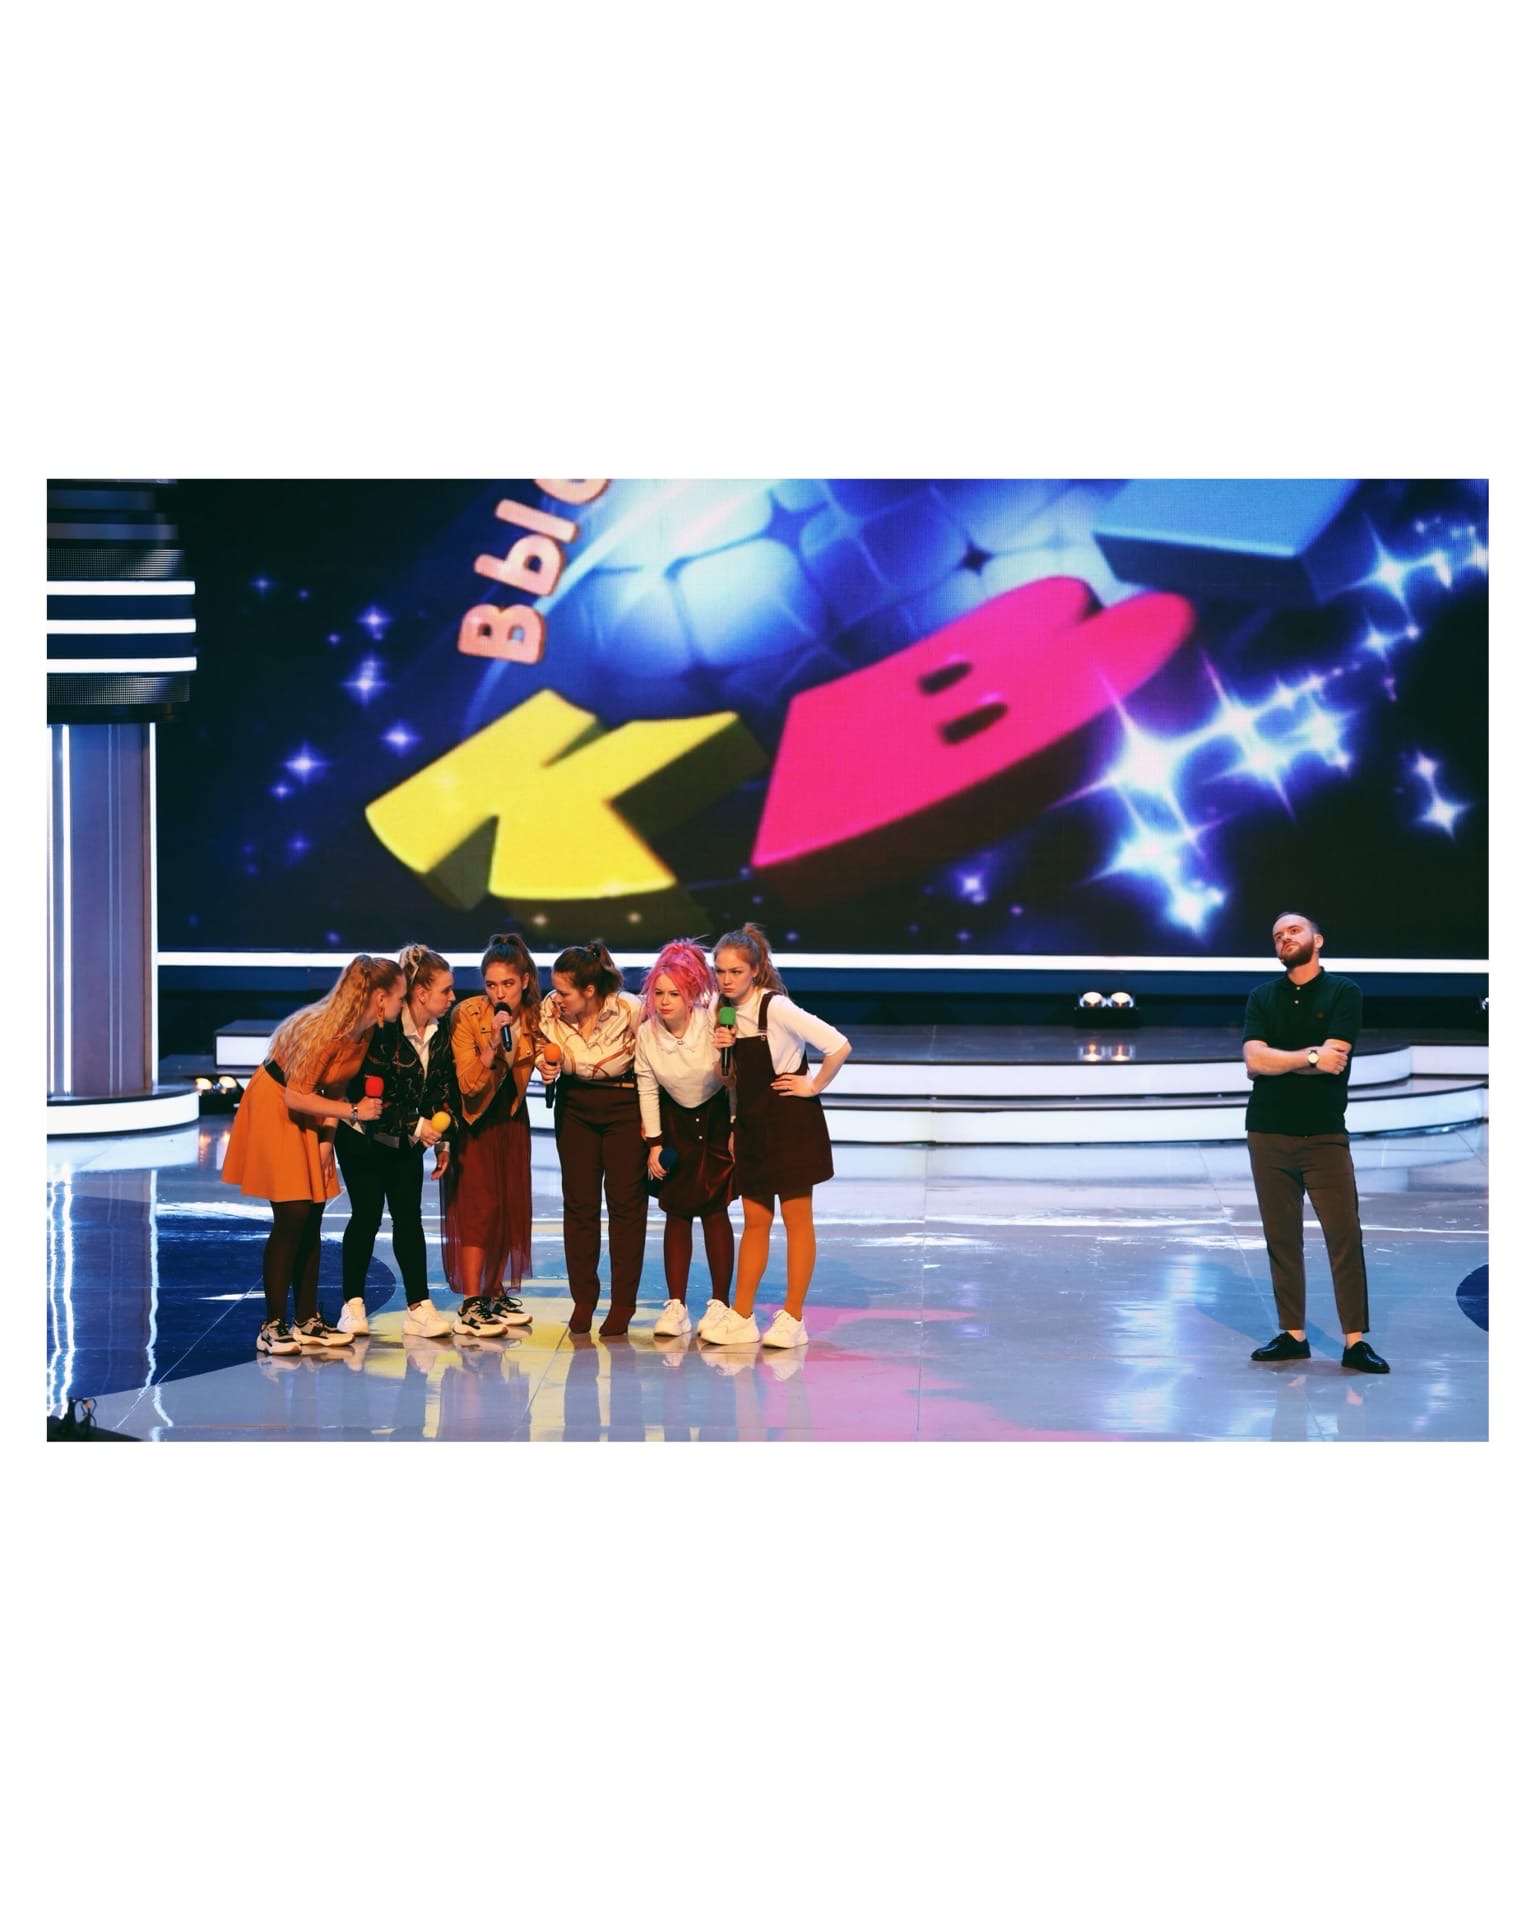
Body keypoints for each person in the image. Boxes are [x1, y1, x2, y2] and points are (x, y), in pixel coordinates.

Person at [221, 955, 404, 1355]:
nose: (401, 1005)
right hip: (277, 1104)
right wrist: (354, 1112)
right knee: (293, 1213)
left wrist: (325, 1145)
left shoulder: (363, 1032)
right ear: (379, 997)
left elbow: (335, 1088)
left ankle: (306, 1319)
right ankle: (272, 1326)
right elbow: (295, 1094)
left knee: (314, 1210)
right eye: (399, 997)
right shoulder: (326, 1029)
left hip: (313, 1109)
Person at [1242, 911, 1390, 1373]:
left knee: (1344, 1236)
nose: (1285, 938)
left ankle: (1354, 1342)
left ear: (1317, 940)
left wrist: (1281, 1059)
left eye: (1294, 931)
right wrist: (1309, 1056)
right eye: (1278, 935)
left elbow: (1335, 1060)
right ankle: (1293, 1336)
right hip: (1267, 1132)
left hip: (1324, 1134)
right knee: (1281, 1238)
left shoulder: (1344, 992)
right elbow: (1254, 1061)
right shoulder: (1262, 996)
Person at [702, 922, 850, 1349]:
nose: (727, 980)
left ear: (755, 970)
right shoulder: (722, 1011)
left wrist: (813, 1084)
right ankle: (742, 1315)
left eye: (735, 972)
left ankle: (793, 1318)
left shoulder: (776, 1007)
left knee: (796, 1219)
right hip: (750, 1123)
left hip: (789, 1120)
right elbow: (729, 1079)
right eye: (720, 971)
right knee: (754, 1221)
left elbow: (838, 1045)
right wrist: (733, 1120)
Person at [332, 944, 460, 1342]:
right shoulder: (383, 1029)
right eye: (445, 990)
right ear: (421, 993)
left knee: (409, 1219)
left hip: (406, 1142)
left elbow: (440, 1089)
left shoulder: (440, 1033)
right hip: (363, 1137)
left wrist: (442, 1141)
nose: (453, 997)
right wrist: (419, 1124)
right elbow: (374, 1099)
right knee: (367, 1215)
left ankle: (418, 1307)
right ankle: (352, 1304)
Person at [537, 940, 647, 1336]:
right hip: (574, 1106)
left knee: (625, 1208)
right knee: (579, 1205)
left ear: (589, 990)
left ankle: (623, 1303)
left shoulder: (630, 1010)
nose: (556, 998)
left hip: (623, 1105)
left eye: (564, 992)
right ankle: (584, 1298)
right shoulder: (549, 1008)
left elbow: (650, 1059)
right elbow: (542, 1047)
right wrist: (544, 1065)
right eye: (555, 989)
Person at [634, 939, 736, 1340]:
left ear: (691, 994)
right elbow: (646, 1086)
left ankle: (720, 1304)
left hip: (714, 1118)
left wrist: (734, 1126)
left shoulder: (713, 1024)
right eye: (659, 993)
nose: (664, 1001)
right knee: (676, 1211)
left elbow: (732, 1080)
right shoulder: (647, 1034)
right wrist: (655, 1143)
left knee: (714, 1209)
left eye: (674, 994)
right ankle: (676, 1306)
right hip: (675, 1121)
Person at [441, 931, 541, 1337]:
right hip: (476, 1120)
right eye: (492, 984)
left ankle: (493, 1292)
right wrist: (492, 1048)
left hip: (511, 1117)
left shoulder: (536, 1016)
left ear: (525, 982)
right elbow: (467, 1084)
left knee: (505, 1206)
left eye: (508, 984)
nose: (500, 993)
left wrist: (553, 1065)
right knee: (477, 1210)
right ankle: (470, 1303)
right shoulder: (467, 1015)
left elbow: (553, 1051)